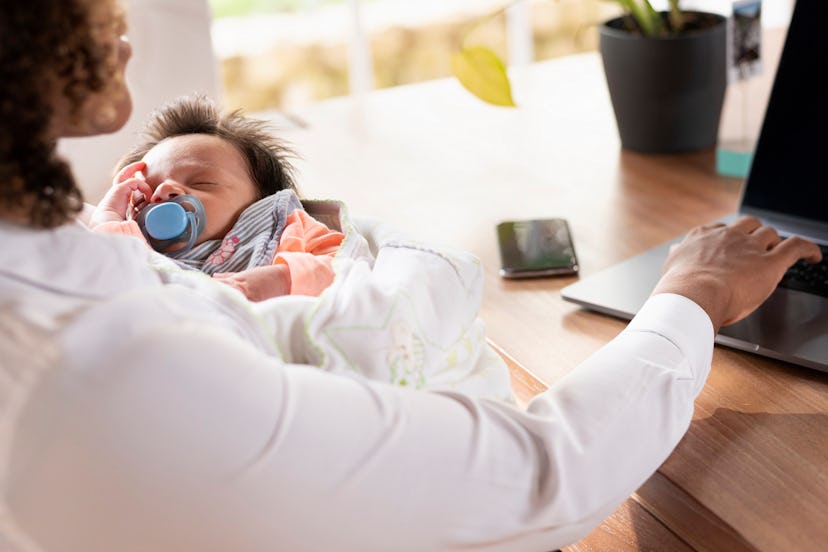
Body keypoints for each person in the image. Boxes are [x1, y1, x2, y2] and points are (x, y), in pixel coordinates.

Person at [0, 2, 822, 552]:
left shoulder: (56, 283)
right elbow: (543, 476)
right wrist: (694, 293)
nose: (118, 23)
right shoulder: (129, 372)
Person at [88, 94, 345, 300]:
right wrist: (108, 218)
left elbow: (347, 268)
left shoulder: (284, 227)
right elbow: (109, 270)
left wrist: (284, 278)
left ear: (261, 201)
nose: (163, 192)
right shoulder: (140, 251)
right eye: (145, 194)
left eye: (201, 182)